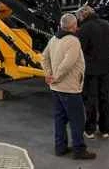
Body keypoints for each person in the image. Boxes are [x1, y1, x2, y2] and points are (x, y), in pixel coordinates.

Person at [41, 13, 95, 160]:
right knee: (77, 120)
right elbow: (68, 63)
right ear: (73, 26)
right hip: (69, 88)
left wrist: (48, 74)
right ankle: (79, 150)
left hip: (56, 88)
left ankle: (60, 147)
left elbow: (44, 57)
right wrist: (56, 77)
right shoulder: (73, 41)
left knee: (60, 118)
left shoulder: (54, 39)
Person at [77, 6, 109, 140]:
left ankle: (90, 129)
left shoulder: (84, 29)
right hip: (105, 68)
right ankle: (105, 129)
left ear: (82, 16)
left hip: (90, 70)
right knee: (104, 98)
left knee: (91, 100)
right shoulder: (107, 24)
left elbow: (80, 49)